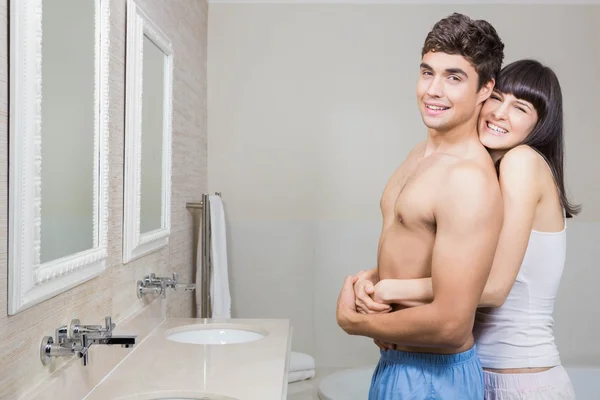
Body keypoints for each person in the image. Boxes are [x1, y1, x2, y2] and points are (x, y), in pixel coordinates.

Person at [354, 59, 579, 399]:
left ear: (540, 125)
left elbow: (491, 288)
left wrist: (390, 290)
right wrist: (375, 281)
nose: (500, 113)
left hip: (519, 379)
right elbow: (460, 265)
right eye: (497, 98)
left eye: (519, 108)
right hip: (479, 370)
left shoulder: (522, 162)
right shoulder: (486, 169)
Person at [335, 12, 505, 399]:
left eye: (454, 77)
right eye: (428, 73)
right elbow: (420, 252)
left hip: (436, 377)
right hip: (399, 366)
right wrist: (374, 282)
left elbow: (451, 324)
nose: (433, 90)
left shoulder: (468, 178)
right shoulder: (420, 154)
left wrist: (354, 322)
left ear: (485, 89)